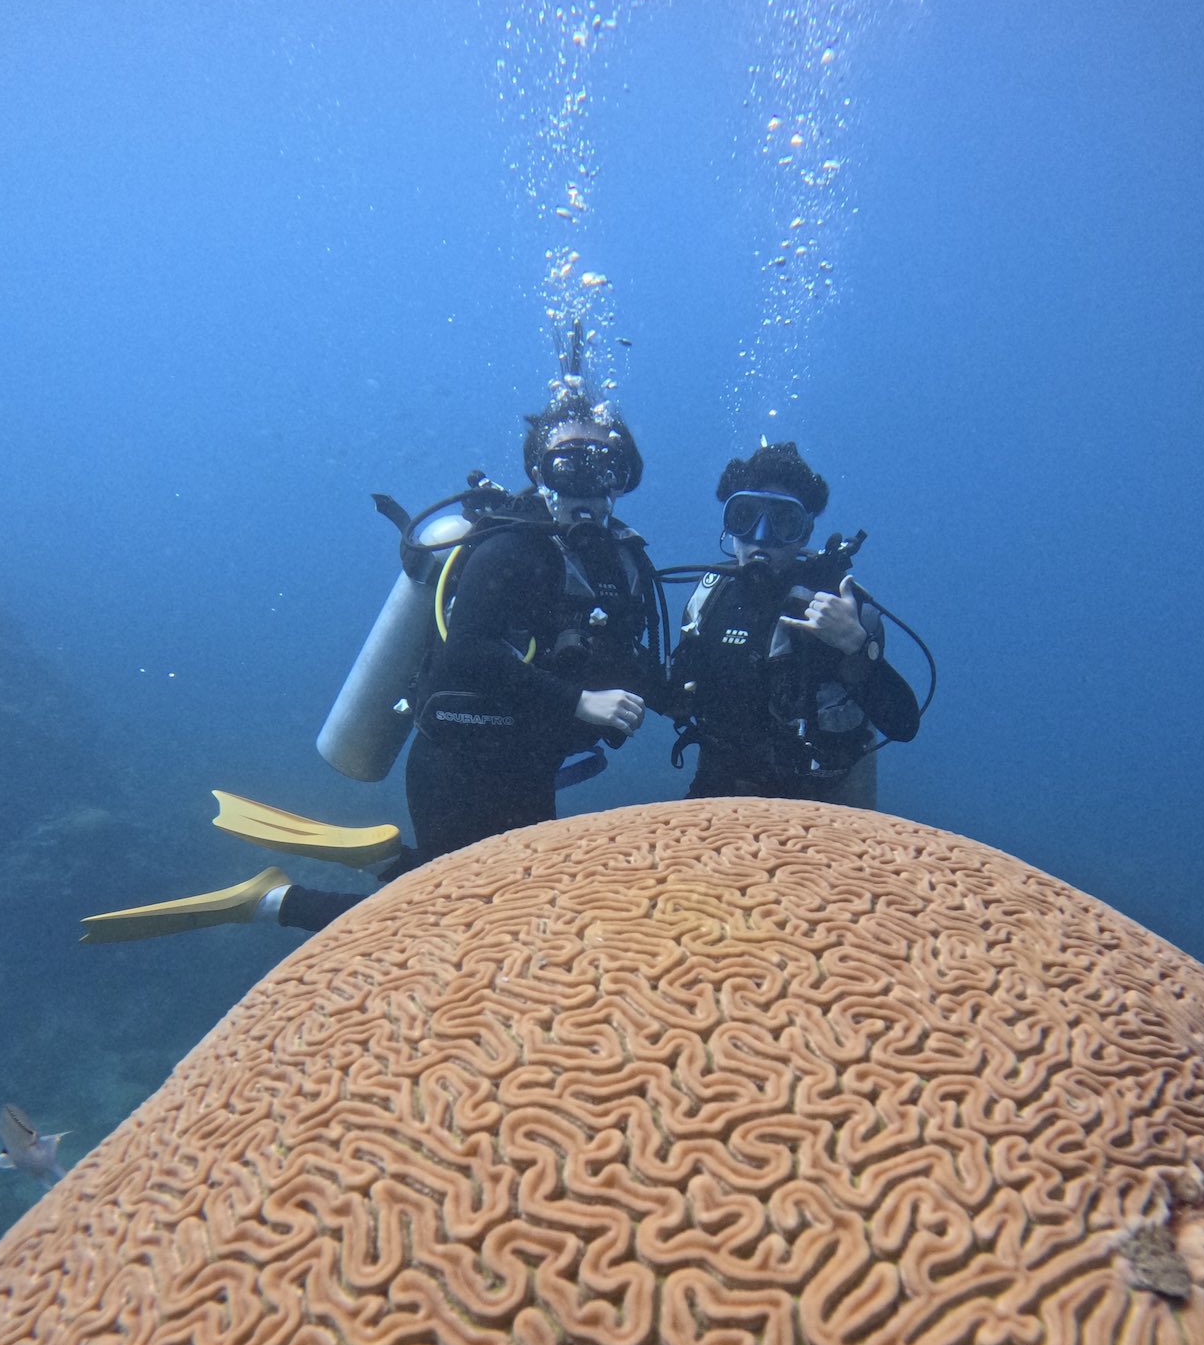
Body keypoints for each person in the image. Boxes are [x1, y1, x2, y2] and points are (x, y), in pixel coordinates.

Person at [81, 386, 664, 942]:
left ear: (622, 477)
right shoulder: (511, 547)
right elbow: (469, 650)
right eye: (568, 467)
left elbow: (628, 660)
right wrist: (580, 702)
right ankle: (273, 900)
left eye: (601, 467)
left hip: (531, 760)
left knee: (492, 895)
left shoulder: (619, 562)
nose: (585, 484)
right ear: (540, 471)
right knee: (462, 915)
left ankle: (376, 857)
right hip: (461, 761)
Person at [668, 441, 921, 804]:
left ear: (804, 534)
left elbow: (904, 723)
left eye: (783, 522)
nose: (760, 537)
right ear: (729, 525)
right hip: (719, 789)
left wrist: (856, 645)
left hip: (821, 803)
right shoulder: (710, 599)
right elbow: (676, 693)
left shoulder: (837, 606)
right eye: (745, 516)